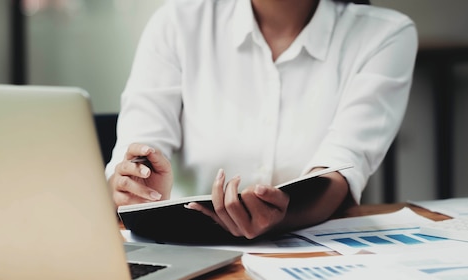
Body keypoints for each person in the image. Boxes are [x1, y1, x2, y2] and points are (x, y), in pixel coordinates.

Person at [106, 0, 417, 240]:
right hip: (187, 252)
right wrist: (134, 184)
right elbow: (138, 145)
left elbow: (343, 169)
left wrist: (281, 215)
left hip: (310, 254)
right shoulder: (177, 22)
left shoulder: (385, 34)